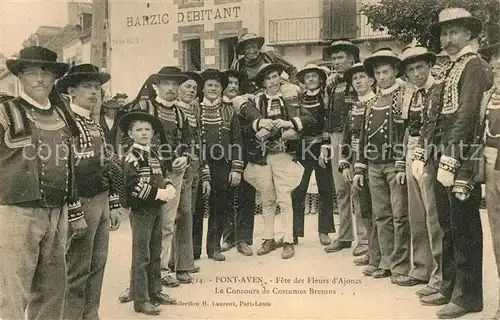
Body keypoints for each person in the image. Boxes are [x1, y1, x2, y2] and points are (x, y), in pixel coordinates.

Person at [413, 8, 493, 318]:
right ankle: (448, 285)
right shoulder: (449, 68)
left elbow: (467, 116)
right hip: (441, 155)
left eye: (454, 32)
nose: (448, 39)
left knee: (464, 226)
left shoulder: (474, 66)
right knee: (446, 223)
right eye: (445, 33)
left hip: (462, 158)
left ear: (470, 34)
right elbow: (433, 117)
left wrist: (451, 159)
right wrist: (424, 152)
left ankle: (468, 295)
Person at [0, 46, 84, 320]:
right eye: (32, 73)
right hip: (15, 213)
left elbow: (70, 164)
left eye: (45, 73)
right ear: (20, 77)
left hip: (56, 213)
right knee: (12, 291)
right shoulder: (5, 112)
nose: (39, 79)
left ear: (54, 79)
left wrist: (73, 210)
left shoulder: (63, 117)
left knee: (52, 290)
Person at [57, 63, 122, 320]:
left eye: (97, 87)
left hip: (101, 200)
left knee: (98, 263)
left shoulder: (95, 124)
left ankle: (90, 314)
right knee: (76, 267)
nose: (94, 92)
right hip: (80, 202)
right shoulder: (66, 122)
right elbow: (66, 170)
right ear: (72, 91)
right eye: (87, 87)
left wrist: (114, 202)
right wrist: (74, 211)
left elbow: (108, 164)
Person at [243, 63, 315, 259]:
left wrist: (290, 123)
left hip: (284, 154)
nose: (273, 81)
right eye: (268, 78)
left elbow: (309, 119)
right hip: (263, 157)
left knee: (284, 198)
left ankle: (288, 240)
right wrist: (258, 126)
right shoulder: (257, 102)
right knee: (267, 199)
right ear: (263, 83)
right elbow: (244, 128)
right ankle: (268, 239)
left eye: (275, 77)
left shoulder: (290, 99)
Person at [353, 48, 412, 284]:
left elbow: (405, 133)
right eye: (377, 73)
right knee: (382, 216)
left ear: (395, 71)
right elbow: (363, 136)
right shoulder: (372, 101)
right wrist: (360, 166)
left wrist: (399, 162)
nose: (381, 77)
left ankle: (401, 266)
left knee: (400, 216)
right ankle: (386, 262)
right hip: (374, 165)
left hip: (393, 164)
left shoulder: (403, 96)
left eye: (385, 71)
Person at [131, 66, 193, 287]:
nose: (171, 88)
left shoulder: (180, 113)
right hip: (147, 174)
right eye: (166, 83)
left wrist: (185, 157)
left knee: (167, 223)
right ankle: (141, 279)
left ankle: (162, 270)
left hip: (173, 174)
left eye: (175, 84)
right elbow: (129, 139)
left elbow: (188, 142)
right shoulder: (144, 107)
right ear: (156, 85)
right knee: (145, 226)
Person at [120, 110, 177, 315]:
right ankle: (140, 299)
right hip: (142, 210)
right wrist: (158, 193)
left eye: (147, 129)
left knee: (155, 251)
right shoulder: (131, 157)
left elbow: (162, 174)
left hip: (156, 209)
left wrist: (169, 186)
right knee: (141, 254)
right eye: (139, 129)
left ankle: (155, 291)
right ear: (130, 133)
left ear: (153, 132)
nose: (144, 133)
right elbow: (133, 187)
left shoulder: (154, 153)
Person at [398, 46, 444, 293]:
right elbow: (409, 127)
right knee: (416, 214)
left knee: (433, 216)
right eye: (411, 70)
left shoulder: (439, 89)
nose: (416, 73)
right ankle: (421, 268)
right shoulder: (412, 95)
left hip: (432, 152)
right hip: (412, 150)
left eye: (420, 68)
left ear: (429, 66)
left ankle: (439, 276)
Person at [321, 39, 368, 257]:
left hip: (356, 135)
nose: (336, 62)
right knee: (341, 189)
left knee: (357, 189)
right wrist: (326, 144)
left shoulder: (361, 78)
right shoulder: (332, 84)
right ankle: (345, 236)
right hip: (335, 137)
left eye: (340, 57)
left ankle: (365, 238)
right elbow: (327, 115)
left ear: (351, 58)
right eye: (334, 58)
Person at [198, 69, 244, 261]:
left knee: (219, 207)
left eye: (217, 86)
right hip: (199, 163)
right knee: (196, 207)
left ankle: (214, 247)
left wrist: (236, 168)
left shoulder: (228, 110)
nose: (213, 89)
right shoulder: (195, 109)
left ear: (221, 89)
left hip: (222, 165)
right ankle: (192, 249)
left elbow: (237, 140)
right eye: (210, 85)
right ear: (204, 88)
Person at [339, 62, 381, 274]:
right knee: (363, 205)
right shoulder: (354, 106)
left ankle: (381, 255)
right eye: (354, 79)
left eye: (362, 77)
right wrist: (345, 162)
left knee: (378, 208)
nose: (358, 82)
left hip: (373, 158)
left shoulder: (378, 102)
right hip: (356, 158)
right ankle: (371, 250)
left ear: (372, 80)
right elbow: (347, 136)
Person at [170, 71, 210, 282]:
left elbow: (198, 142)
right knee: (178, 214)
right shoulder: (172, 110)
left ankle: (180, 262)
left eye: (194, 88)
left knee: (187, 212)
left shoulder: (194, 111)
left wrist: (202, 170)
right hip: (178, 166)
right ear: (178, 89)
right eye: (187, 87)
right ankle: (178, 265)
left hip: (193, 167)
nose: (191, 91)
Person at [291, 64, 335, 246]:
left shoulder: (326, 97)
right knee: (298, 189)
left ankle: (324, 231)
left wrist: (325, 145)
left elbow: (328, 122)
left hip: (321, 148)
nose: (310, 79)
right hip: (302, 148)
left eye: (314, 76)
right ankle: (293, 232)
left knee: (325, 189)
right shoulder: (298, 98)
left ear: (320, 79)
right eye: (307, 76)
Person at [220, 69, 256, 256]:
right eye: (229, 83)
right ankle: (228, 237)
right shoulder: (217, 106)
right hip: (224, 156)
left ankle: (243, 239)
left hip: (247, 153)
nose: (232, 86)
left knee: (246, 196)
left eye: (236, 83)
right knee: (226, 197)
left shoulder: (246, 104)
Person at [478, 35, 500, 320]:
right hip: (493, 172)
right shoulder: (487, 96)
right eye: (495, 68)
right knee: (498, 236)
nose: (498, 73)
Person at [230, 32, 299, 94]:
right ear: (243, 50)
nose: (252, 51)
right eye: (248, 48)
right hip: (251, 99)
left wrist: (293, 85)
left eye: (254, 47)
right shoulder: (237, 65)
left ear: (258, 47)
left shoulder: (270, 56)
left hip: (276, 94)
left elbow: (292, 69)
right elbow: (231, 84)